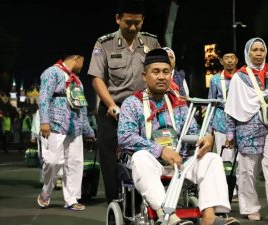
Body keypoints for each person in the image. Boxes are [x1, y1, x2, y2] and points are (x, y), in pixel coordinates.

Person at [118, 48, 240, 225]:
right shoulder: (132, 103)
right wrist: (161, 151)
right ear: (144, 76)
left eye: (166, 72)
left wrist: (205, 138)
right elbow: (125, 137)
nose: (161, 77)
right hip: (152, 164)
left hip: (181, 162)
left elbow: (193, 131)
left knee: (212, 159)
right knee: (140, 157)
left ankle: (209, 218)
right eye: (156, 72)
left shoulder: (179, 104)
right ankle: (168, 217)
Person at [87, 0, 160, 204]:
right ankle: (114, 199)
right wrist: (110, 104)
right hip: (113, 107)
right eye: (128, 22)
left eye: (138, 23)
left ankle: (146, 199)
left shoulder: (151, 42)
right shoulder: (104, 43)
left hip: (143, 109)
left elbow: (161, 70)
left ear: (143, 20)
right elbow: (96, 78)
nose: (133, 27)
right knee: (109, 157)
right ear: (118, 19)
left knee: (146, 152)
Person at [224, 37, 268, 224]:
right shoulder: (239, 77)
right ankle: (250, 208)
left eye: (261, 50)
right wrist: (230, 133)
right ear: (248, 53)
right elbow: (231, 108)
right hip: (247, 131)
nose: (258, 54)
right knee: (248, 171)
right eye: (254, 50)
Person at [37, 52, 95, 211]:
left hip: (75, 128)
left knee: (75, 164)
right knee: (52, 161)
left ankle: (71, 199)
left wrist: (88, 130)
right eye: (82, 62)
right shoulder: (52, 72)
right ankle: (46, 191)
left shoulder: (78, 81)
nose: (83, 67)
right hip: (55, 124)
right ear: (76, 58)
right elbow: (44, 97)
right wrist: (44, 121)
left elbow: (82, 107)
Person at [208, 47, 238, 160]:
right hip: (221, 122)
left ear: (236, 60)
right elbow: (211, 102)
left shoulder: (243, 78)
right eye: (226, 58)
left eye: (232, 58)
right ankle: (226, 178)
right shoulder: (215, 80)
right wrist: (209, 127)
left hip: (241, 122)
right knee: (225, 157)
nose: (229, 60)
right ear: (221, 61)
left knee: (242, 158)